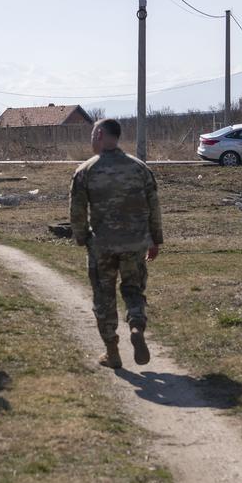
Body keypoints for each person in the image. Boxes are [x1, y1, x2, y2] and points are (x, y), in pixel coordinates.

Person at [69, 119, 163, 369]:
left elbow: (77, 211)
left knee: (104, 298)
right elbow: (154, 206)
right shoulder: (139, 168)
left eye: (92, 134)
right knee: (134, 289)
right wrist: (155, 239)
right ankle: (136, 325)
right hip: (135, 244)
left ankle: (112, 352)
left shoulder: (86, 170)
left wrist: (81, 238)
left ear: (99, 134)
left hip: (103, 246)